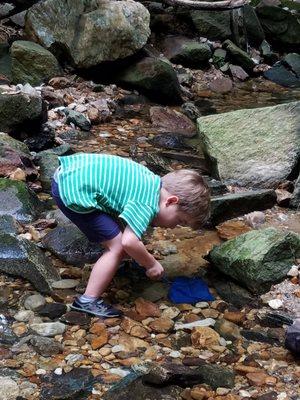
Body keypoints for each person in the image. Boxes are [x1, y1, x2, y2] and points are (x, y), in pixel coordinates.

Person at [51, 153, 210, 318]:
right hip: (73, 191)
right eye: (179, 220)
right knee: (118, 247)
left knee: (121, 235)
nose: (174, 226)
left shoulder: (150, 182)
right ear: (170, 201)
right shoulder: (147, 203)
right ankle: (87, 300)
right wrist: (151, 264)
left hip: (69, 174)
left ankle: (117, 265)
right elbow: (129, 242)